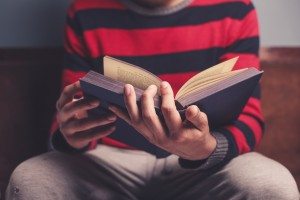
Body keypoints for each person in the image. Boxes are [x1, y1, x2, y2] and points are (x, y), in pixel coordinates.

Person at [6, 0, 299, 199]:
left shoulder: (235, 9)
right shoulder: (85, 11)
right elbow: (74, 109)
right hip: (109, 161)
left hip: (202, 162)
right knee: (29, 180)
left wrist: (204, 148)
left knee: (272, 185)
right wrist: (70, 135)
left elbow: (249, 117)